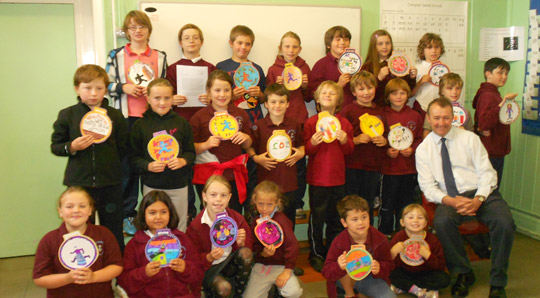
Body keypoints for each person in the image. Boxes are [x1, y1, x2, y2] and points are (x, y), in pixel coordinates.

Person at [416, 97, 515, 298]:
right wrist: (450, 200)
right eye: (436, 118)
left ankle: (498, 282)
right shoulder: (423, 149)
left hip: (481, 193)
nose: (441, 123)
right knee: (443, 221)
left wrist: (478, 198)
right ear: (428, 118)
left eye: (446, 118)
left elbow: (488, 173)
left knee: (505, 222)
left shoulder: (469, 139)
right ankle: (462, 272)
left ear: (453, 118)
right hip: (450, 197)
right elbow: (427, 187)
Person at [51, 64, 127, 251]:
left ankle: (118, 272)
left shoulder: (115, 116)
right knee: (80, 228)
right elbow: (56, 146)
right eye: (87, 87)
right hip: (79, 184)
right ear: (77, 89)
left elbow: (124, 147)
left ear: (105, 90)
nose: (93, 93)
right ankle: (81, 266)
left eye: (99, 88)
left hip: (110, 183)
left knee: (114, 228)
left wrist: (110, 164)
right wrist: (72, 147)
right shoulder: (67, 115)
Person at [106, 10, 168, 236]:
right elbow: (106, 85)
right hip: (126, 120)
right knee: (128, 170)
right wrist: (125, 88)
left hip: (153, 120)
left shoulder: (160, 56)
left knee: (154, 168)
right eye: (132, 28)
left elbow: (165, 85)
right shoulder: (116, 55)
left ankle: (156, 215)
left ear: (148, 31)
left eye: (141, 27)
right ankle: (127, 216)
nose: (137, 31)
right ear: (126, 31)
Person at [128, 79, 195, 231]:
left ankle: (180, 254)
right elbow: (133, 158)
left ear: (173, 99)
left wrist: (183, 161)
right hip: (152, 186)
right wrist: (148, 165)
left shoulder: (183, 123)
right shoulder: (140, 125)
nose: (162, 102)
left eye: (167, 98)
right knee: (153, 226)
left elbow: (191, 153)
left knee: (179, 227)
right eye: (157, 98)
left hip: (178, 186)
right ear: (148, 99)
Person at [33, 187, 123, 298]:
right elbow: (39, 279)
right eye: (69, 206)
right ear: (60, 211)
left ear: (90, 210)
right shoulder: (49, 240)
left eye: (82, 206)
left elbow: (116, 266)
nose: (76, 210)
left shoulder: (104, 234)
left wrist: (93, 276)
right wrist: (68, 278)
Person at [166, 23, 216, 221]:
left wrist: (210, 98)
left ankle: (209, 214)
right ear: (180, 42)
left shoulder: (210, 67)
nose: (192, 41)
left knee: (205, 174)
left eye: (195, 37)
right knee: (185, 172)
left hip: (205, 127)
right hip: (181, 127)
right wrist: (172, 100)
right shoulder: (172, 68)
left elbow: (220, 95)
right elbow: (162, 98)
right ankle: (188, 215)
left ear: (201, 42)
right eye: (187, 37)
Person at [304, 81, 354, 272]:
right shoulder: (311, 122)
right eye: (323, 93)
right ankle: (315, 253)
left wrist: (344, 140)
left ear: (338, 100)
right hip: (318, 179)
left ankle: (332, 253)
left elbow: (350, 150)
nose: (327, 96)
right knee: (317, 217)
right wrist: (313, 143)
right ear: (317, 98)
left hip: (338, 179)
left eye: (332, 94)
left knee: (335, 218)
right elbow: (307, 150)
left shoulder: (344, 123)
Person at [117, 191, 203, 297]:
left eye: (163, 212)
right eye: (152, 213)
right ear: (143, 215)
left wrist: (185, 268)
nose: (158, 217)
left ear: (170, 213)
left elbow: (199, 272)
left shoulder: (182, 239)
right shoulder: (134, 244)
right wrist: (144, 273)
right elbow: (124, 281)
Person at [189, 70, 252, 214]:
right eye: (217, 90)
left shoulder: (241, 114)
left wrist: (246, 138)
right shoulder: (199, 117)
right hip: (208, 175)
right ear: (208, 92)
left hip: (234, 175)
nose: (222, 95)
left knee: (234, 212)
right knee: (210, 214)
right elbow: (190, 149)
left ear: (232, 91)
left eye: (226, 90)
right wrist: (206, 144)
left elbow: (248, 145)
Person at [265, 31, 311, 218]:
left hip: (298, 122)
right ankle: (275, 202)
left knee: (297, 165)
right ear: (280, 48)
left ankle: (298, 203)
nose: (291, 50)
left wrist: (306, 86)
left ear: (299, 49)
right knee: (277, 163)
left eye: (294, 47)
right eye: (287, 46)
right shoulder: (273, 69)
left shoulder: (304, 67)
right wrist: (276, 84)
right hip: (277, 124)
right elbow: (267, 96)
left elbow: (309, 98)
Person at [186, 175, 254, 298]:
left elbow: (249, 246)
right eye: (213, 195)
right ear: (204, 196)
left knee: (246, 253)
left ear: (229, 197)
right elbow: (192, 258)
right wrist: (209, 257)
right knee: (224, 288)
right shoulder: (196, 225)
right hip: (210, 268)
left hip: (230, 263)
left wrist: (242, 243)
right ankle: (212, 290)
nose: (218, 200)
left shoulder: (236, 219)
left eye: (223, 195)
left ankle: (238, 295)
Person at [247, 84, 305, 226]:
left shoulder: (294, 125)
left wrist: (301, 152)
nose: (277, 105)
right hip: (266, 185)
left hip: (288, 184)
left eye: (282, 101)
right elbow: (249, 148)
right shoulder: (258, 126)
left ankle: (288, 248)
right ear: (266, 104)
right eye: (273, 102)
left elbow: (301, 145)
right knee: (265, 224)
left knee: (288, 223)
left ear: (288, 104)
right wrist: (256, 158)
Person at [322, 195, 395, 298]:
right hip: (346, 279)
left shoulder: (380, 239)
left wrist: (379, 268)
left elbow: (389, 264)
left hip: (371, 279)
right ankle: (350, 294)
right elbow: (326, 271)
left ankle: (360, 293)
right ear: (344, 223)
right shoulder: (339, 242)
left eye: (364, 217)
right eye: (354, 219)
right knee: (346, 266)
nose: (361, 223)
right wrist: (338, 266)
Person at [243, 181, 303, 298]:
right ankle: (271, 290)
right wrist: (262, 253)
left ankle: (279, 290)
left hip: (281, 266)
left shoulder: (282, 220)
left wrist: (288, 270)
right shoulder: (255, 223)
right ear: (254, 201)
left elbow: (293, 245)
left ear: (277, 203)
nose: (264, 209)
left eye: (269, 204)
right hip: (262, 266)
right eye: (260, 204)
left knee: (294, 293)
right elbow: (253, 247)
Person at [341, 71, 387, 223]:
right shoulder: (348, 111)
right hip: (352, 166)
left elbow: (388, 136)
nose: (366, 93)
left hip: (373, 167)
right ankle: (350, 240)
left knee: (367, 204)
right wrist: (355, 139)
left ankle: (367, 240)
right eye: (361, 89)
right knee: (350, 205)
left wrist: (384, 141)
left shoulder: (380, 112)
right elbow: (341, 139)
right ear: (354, 92)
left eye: (369, 88)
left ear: (375, 88)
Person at [379, 78, 423, 236]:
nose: (398, 96)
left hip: (408, 169)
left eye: (403, 93)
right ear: (387, 96)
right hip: (389, 170)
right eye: (394, 93)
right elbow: (378, 139)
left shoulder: (415, 116)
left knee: (406, 205)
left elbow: (419, 138)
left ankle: (403, 236)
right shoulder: (382, 115)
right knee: (387, 206)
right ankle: (385, 235)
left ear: (408, 95)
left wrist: (412, 149)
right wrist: (386, 151)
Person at [389, 204, 450, 298]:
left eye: (420, 217)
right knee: (391, 274)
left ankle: (406, 287)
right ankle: (419, 291)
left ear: (426, 223)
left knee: (444, 279)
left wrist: (428, 256)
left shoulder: (432, 239)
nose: (415, 220)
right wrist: (393, 252)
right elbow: (388, 264)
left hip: (426, 273)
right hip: (405, 272)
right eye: (410, 217)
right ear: (402, 222)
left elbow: (440, 266)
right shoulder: (398, 237)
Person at [472, 57, 512, 188]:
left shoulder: (492, 93)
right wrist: (502, 104)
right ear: (487, 74)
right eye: (500, 72)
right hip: (490, 152)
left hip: (494, 150)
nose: (504, 76)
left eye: (506, 73)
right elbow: (484, 123)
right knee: (489, 191)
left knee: (489, 189)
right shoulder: (489, 95)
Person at [216, 25, 265, 125]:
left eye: (248, 44)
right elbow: (214, 97)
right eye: (240, 43)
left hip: (254, 120)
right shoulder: (221, 67)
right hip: (229, 120)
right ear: (231, 43)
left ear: (251, 46)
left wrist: (259, 94)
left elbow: (265, 99)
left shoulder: (257, 69)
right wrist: (230, 96)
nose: (243, 47)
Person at [361, 29, 417, 107]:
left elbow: (406, 89)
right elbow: (365, 93)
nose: (384, 47)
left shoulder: (399, 62)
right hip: (376, 108)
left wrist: (411, 78)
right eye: (380, 44)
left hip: (396, 108)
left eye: (387, 43)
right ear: (374, 46)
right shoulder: (367, 67)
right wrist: (378, 79)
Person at [309, 26, 355, 107]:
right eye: (338, 39)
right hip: (330, 112)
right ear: (328, 45)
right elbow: (312, 93)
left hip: (352, 111)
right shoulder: (321, 65)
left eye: (346, 39)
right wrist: (337, 86)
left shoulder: (355, 62)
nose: (342, 43)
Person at [423, 73, 473, 138]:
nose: (454, 92)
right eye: (450, 88)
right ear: (442, 91)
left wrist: (464, 132)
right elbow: (426, 132)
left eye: (458, 88)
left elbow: (471, 133)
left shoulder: (465, 112)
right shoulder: (433, 109)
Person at [411, 33, 447, 116]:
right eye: (429, 47)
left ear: (441, 50)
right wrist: (420, 82)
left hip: (440, 110)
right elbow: (410, 94)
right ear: (423, 50)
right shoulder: (417, 69)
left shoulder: (445, 70)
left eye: (437, 47)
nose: (433, 51)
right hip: (421, 109)